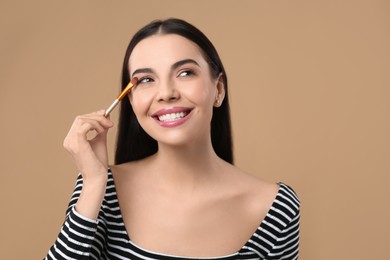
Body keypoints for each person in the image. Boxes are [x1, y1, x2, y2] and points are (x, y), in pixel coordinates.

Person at [45, 18, 300, 260]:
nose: (166, 93)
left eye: (185, 73)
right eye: (146, 80)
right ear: (131, 101)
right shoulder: (101, 191)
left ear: (218, 89)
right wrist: (93, 183)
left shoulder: (274, 208)